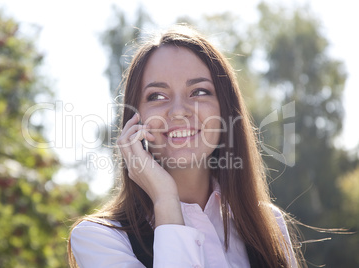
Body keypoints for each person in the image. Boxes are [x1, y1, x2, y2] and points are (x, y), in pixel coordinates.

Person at [67, 25, 302, 268]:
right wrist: (165, 200)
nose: (179, 111)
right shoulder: (100, 239)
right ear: (135, 118)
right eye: (157, 96)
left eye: (199, 92)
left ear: (225, 110)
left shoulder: (267, 225)